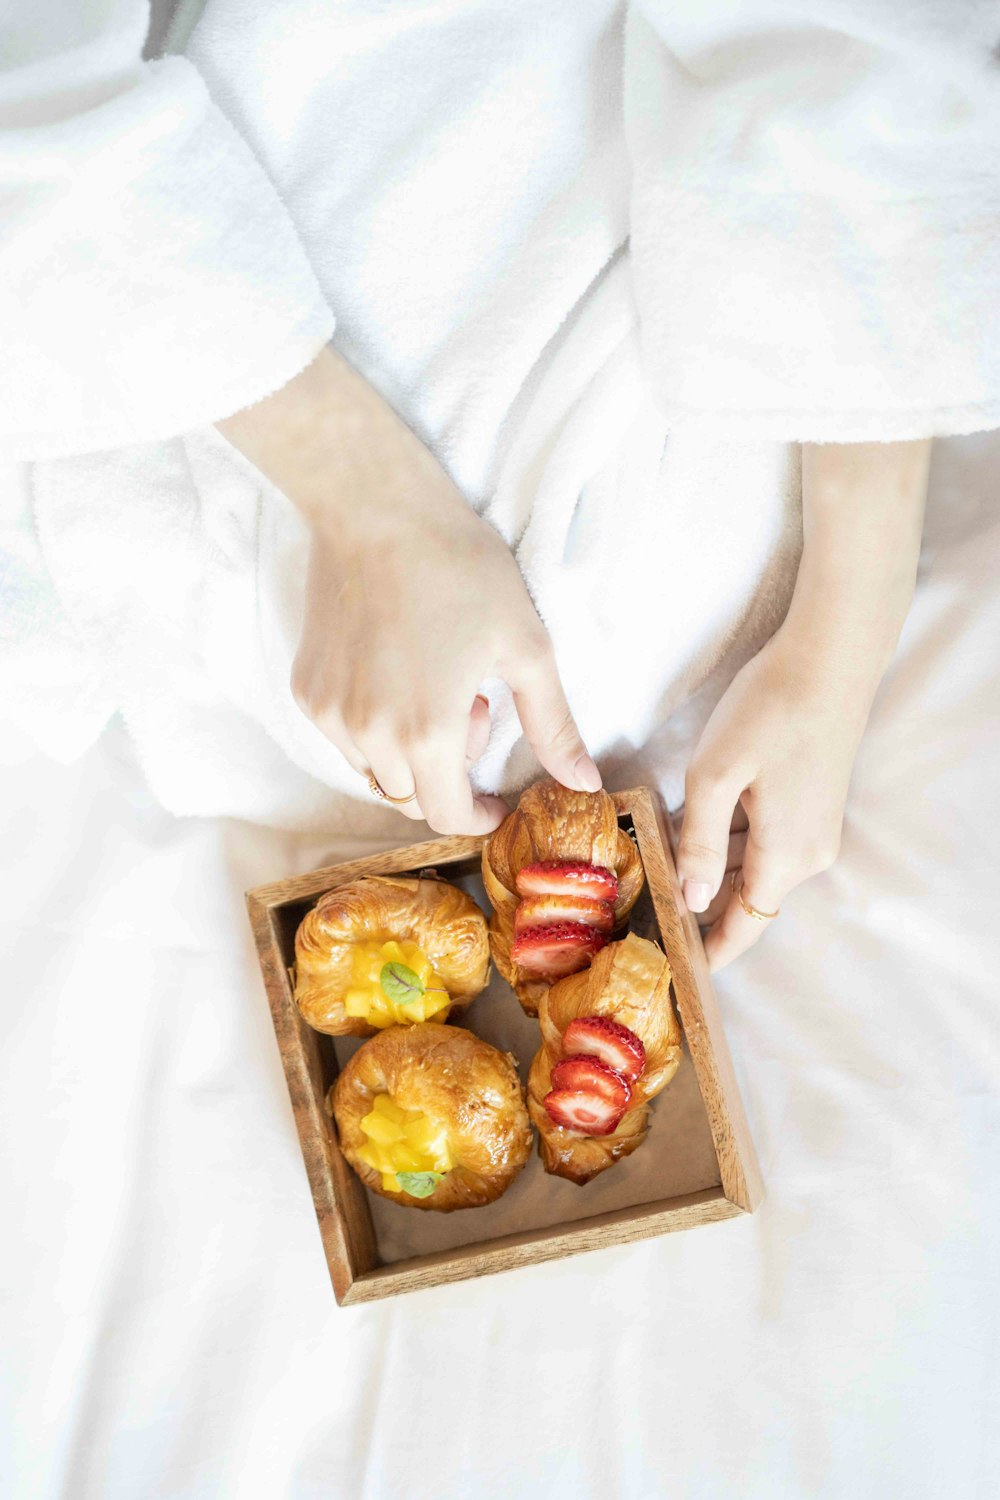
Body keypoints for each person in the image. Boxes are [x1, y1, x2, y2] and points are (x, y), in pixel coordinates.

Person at [1, 0, 997, 972]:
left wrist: (845, 638)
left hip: (734, 392)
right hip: (207, 373)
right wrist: (372, 509)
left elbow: (859, 52)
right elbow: (29, 94)